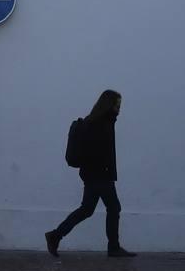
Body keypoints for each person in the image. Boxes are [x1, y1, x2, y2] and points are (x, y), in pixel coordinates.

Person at [45, 89, 135, 258]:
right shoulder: (99, 124)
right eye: (117, 104)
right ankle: (113, 248)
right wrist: (105, 171)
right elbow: (96, 152)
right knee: (113, 207)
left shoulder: (101, 121)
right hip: (99, 174)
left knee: (87, 209)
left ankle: (55, 235)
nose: (119, 108)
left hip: (95, 174)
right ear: (109, 104)